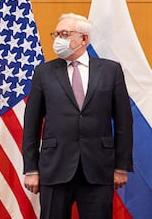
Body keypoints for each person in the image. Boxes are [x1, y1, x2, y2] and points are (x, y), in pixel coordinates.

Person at [22, 13, 133, 219]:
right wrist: (31, 169)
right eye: (56, 34)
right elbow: (31, 124)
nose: (58, 40)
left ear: (84, 39)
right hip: (55, 168)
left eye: (64, 34)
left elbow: (124, 122)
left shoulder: (110, 71)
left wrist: (121, 166)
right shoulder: (44, 72)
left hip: (98, 169)